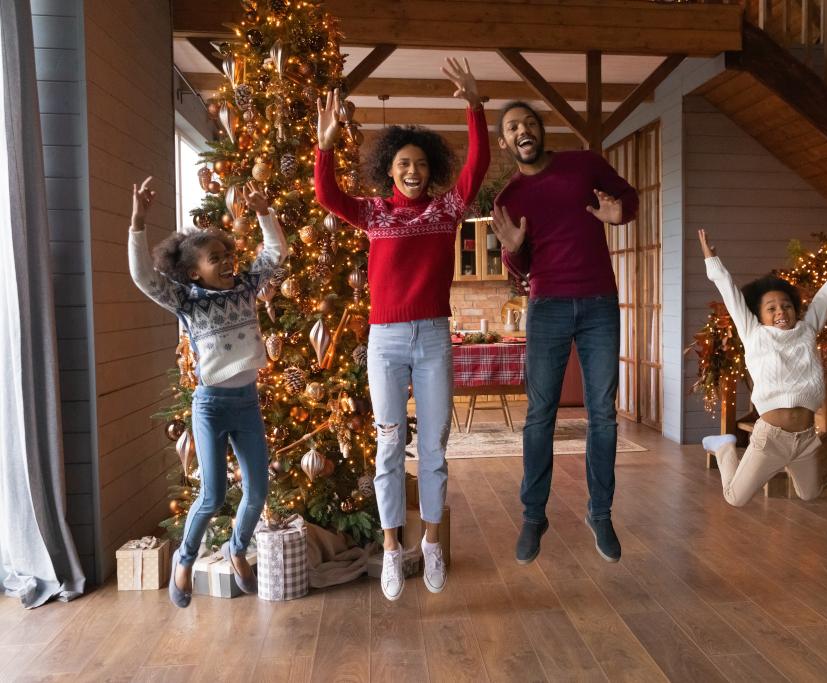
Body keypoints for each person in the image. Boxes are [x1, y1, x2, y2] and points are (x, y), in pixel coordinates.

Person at [314, 58, 488, 600]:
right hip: (385, 341)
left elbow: (478, 165)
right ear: (389, 170)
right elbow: (327, 197)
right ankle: (392, 548)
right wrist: (323, 148)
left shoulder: (446, 211)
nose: (412, 171)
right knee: (388, 447)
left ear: (428, 170)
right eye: (402, 164)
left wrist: (475, 107)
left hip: (434, 337)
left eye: (419, 165)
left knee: (435, 448)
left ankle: (430, 541)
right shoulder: (373, 215)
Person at [489, 101, 638, 565]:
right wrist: (513, 252)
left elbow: (626, 197)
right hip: (547, 305)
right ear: (505, 142)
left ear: (541, 130)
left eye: (529, 122)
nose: (523, 130)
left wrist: (620, 215)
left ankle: (601, 513)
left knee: (603, 415)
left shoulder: (582, 163)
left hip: (598, 304)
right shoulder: (507, 199)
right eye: (513, 127)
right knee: (540, 416)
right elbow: (522, 268)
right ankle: (534, 516)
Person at [128, 177, 285, 608]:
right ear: (195, 271)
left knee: (257, 491)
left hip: (247, 403)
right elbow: (143, 278)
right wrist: (138, 223)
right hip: (212, 405)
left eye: (228, 254)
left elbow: (275, 253)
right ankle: (186, 557)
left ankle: (237, 549)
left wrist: (263, 212)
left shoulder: (246, 288)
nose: (228, 261)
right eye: (217, 258)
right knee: (213, 493)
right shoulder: (188, 300)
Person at [697, 228, 827, 506]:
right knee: (735, 498)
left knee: (810, 494)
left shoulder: (807, 331)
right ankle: (724, 447)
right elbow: (729, 291)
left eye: (786, 306)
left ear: (796, 310)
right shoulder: (754, 334)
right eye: (771, 308)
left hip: (805, 439)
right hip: (769, 439)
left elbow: (826, 297)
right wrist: (712, 260)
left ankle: (790, 464)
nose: (781, 312)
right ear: (759, 316)